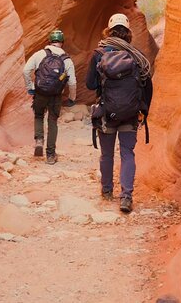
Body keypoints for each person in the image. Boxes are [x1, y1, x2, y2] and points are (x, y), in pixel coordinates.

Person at [86, 13, 153, 213]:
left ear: (109, 30)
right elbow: (147, 85)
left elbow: (90, 84)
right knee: (127, 153)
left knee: (107, 154)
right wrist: (144, 110)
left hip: (106, 112)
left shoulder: (99, 53)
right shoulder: (136, 55)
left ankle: (107, 191)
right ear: (128, 32)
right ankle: (126, 197)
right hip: (130, 113)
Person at [23, 29, 77, 164]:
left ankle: (39, 141)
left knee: (39, 116)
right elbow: (72, 82)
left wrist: (31, 88)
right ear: (62, 43)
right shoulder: (66, 60)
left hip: (40, 92)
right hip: (56, 95)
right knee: (52, 121)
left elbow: (26, 71)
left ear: (49, 41)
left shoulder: (39, 54)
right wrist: (72, 98)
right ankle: (51, 155)